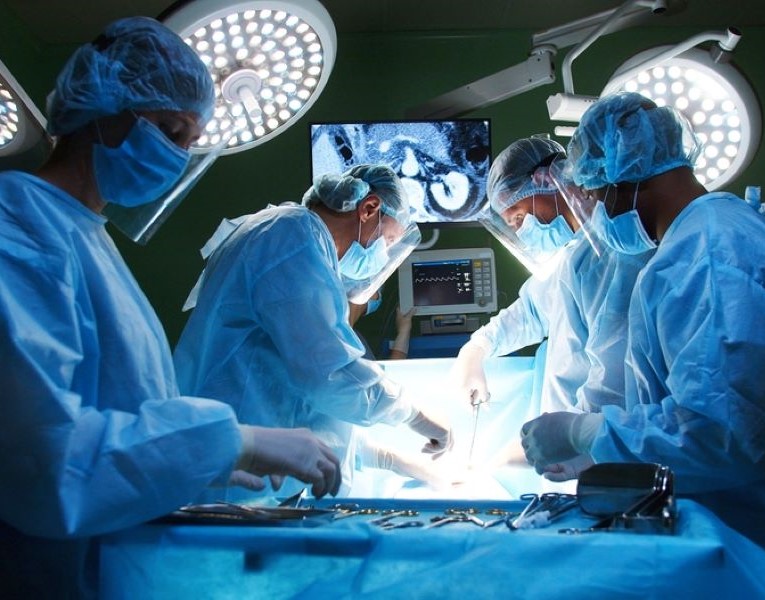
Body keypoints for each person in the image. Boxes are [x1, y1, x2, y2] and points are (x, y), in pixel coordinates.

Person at [0, 17, 342, 598]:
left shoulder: (86, 235)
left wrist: (198, 463)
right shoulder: (20, 226)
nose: (177, 155)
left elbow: (119, 406)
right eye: (168, 129)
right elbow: (43, 462)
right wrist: (232, 440)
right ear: (101, 106)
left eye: (188, 141)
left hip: (104, 560)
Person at [521, 91, 765, 568]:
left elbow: (722, 433)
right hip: (734, 527)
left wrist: (587, 431)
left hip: (756, 540)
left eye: (595, 195)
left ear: (624, 179)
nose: (597, 212)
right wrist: (606, 451)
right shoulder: (694, 243)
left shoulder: (709, 253)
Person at [173, 164, 454, 501]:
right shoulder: (292, 238)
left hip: (242, 466)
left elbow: (305, 407)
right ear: (369, 209)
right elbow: (328, 376)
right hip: (234, 485)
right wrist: (413, 414)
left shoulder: (289, 236)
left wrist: (389, 459)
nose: (382, 255)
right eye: (388, 240)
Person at [451, 136, 654, 479]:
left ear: (547, 182)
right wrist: (477, 348)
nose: (522, 232)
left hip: (598, 453)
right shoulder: (573, 253)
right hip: (572, 450)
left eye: (518, 218)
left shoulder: (609, 257)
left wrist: (565, 438)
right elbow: (531, 311)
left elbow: (613, 382)